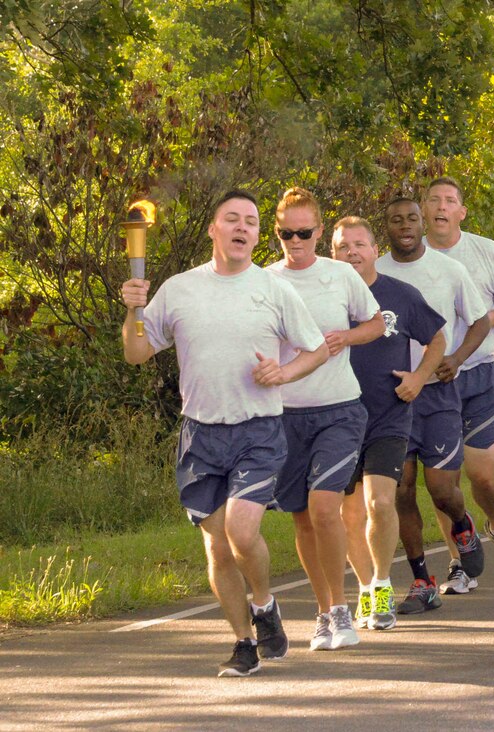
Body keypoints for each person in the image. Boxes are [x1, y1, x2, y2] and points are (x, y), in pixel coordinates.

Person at [120, 190, 329, 677]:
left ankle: (263, 604)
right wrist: (133, 309)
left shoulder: (274, 289)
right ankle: (243, 642)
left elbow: (317, 350)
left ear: (258, 235)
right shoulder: (179, 288)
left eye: (251, 222)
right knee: (217, 545)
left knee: (240, 530)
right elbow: (136, 353)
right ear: (213, 229)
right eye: (231, 219)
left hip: (257, 430)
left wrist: (284, 373)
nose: (242, 227)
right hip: (200, 435)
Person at [265, 188, 384, 652]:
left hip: (339, 409)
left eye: (304, 232)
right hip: (284, 413)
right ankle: (322, 612)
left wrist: (346, 337)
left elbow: (376, 323)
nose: (295, 241)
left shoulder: (339, 274)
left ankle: (342, 609)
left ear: (319, 231)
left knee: (324, 508)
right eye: (286, 233)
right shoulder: (264, 280)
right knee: (301, 520)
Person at [331, 217, 447, 632]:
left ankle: (382, 587)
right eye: (344, 247)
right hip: (336, 418)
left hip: (389, 414)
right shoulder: (324, 294)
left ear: (374, 249)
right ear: (333, 253)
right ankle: (365, 587)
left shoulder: (400, 294)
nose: (352, 253)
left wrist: (419, 377)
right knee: (347, 514)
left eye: (360, 244)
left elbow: (437, 338)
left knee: (379, 503)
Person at [377, 197, 490, 612]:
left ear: (422, 222)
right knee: (401, 491)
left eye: (410, 217)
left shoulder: (449, 269)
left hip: (438, 392)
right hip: (389, 397)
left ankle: (462, 527)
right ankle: (422, 579)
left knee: (443, 490)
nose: (404, 224)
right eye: (395, 218)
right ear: (385, 226)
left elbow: (479, 321)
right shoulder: (374, 273)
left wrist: (456, 359)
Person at [422, 177, 494, 591]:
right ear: (424, 209)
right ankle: (459, 561)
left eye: (450, 200)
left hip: (482, 370)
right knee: (442, 477)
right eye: (434, 200)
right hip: (434, 380)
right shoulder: (409, 259)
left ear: (462, 212)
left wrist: (478, 319)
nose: (442, 206)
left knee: (484, 472)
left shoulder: (485, 252)